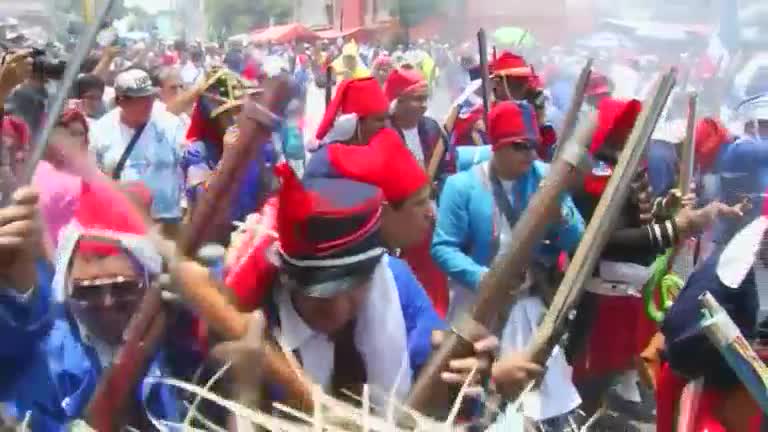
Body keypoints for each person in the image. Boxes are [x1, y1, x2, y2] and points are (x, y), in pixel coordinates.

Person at [260, 163, 494, 407]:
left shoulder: (396, 286)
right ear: (287, 277)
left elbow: (436, 362)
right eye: (321, 294)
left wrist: (463, 378)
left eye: (354, 285)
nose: (339, 307)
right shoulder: (253, 316)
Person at [566, 97, 743, 418]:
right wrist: (675, 227)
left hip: (626, 293)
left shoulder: (627, 166)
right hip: (603, 290)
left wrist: (667, 207)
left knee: (614, 367)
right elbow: (608, 238)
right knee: (589, 374)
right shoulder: (600, 173)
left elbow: (639, 216)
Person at [432, 101, 585, 426]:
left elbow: (576, 237)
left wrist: (562, 218)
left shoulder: (547, 180)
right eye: (520, 146)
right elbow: (443, 248)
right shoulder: (462, 187)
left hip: (529, 306)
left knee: (543, 404)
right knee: (474, 402)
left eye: (534, 146)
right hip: (478, 307)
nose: (530, 154)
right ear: (498, 146)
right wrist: (484, 278)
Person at [0, 183, 187, 430]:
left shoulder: (175, 333)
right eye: (87, 290)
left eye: (122, 288)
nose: (106, 303)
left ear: (149, 281)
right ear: (65, 288)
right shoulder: (46, 358)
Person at [89, 69, 186, 237]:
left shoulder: (171, 124)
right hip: (123, 223)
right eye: (140, 99)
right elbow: (92, 175)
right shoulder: (101, 130)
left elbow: (186, 165)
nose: (148, 103)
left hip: (167, 221)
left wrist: (185, 206)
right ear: (121, 101)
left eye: (150, 97)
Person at [313, 77, 388, 147]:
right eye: (379, 120)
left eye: (385, 119)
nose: (384, 125)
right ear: (359, 120)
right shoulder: (328, 157)